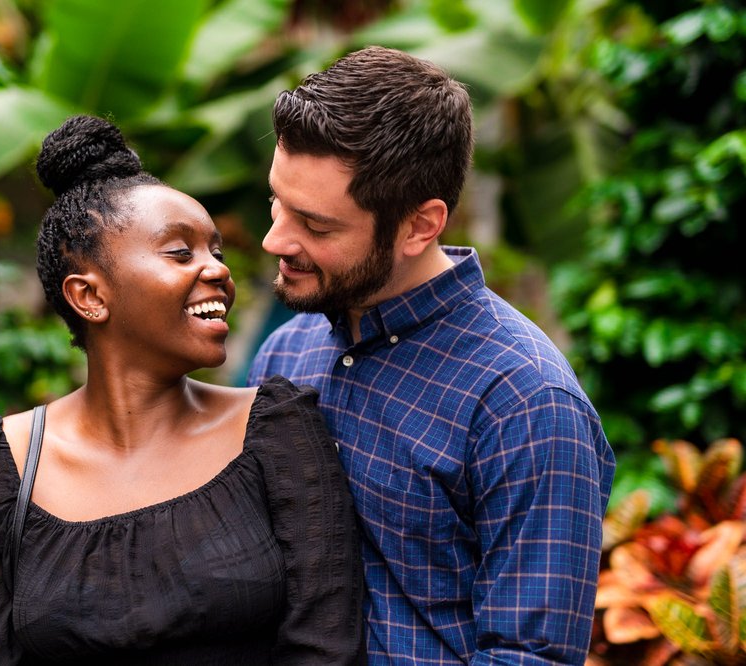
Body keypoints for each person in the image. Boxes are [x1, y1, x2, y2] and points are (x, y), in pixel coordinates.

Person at [0, 115, 364, 665]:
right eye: (181, 252)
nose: (218, 269)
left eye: (216, 250)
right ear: (89, 296)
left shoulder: (278, 433)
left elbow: (325, 650)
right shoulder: (3, 466)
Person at [248, 46, 616, 665]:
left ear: (421, 225)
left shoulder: (523, 401)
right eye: (277, 203)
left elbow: (530, 656)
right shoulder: (287, 351)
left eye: (317, 225)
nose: (274, 240)